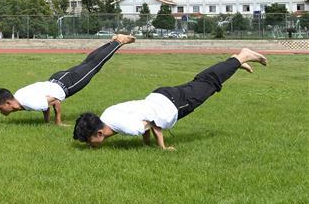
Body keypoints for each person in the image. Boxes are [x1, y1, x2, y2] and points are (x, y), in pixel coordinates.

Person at [72, 48, 268, 150]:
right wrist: (145, 143)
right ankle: (234, 62)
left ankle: (242, 56)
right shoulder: (107, 114)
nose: (90, 145)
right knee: (201, 81)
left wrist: (162, 147)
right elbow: (141, 118)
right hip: (159, 95)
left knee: (209, 84)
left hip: (172, 104)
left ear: (99, 133)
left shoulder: (126, 128)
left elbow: (153, 125)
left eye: (89, 142)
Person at [0, 34, 135, 125]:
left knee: (93, 65)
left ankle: (118, 42)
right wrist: (46, 121)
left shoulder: (28, 103)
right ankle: (112, 42)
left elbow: (55, 101)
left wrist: (57, 121)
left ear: (9, 103)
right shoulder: (19, 94)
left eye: (0, 108)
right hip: (56, 78)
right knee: (87, 63)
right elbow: (44, 104)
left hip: (67, 84)